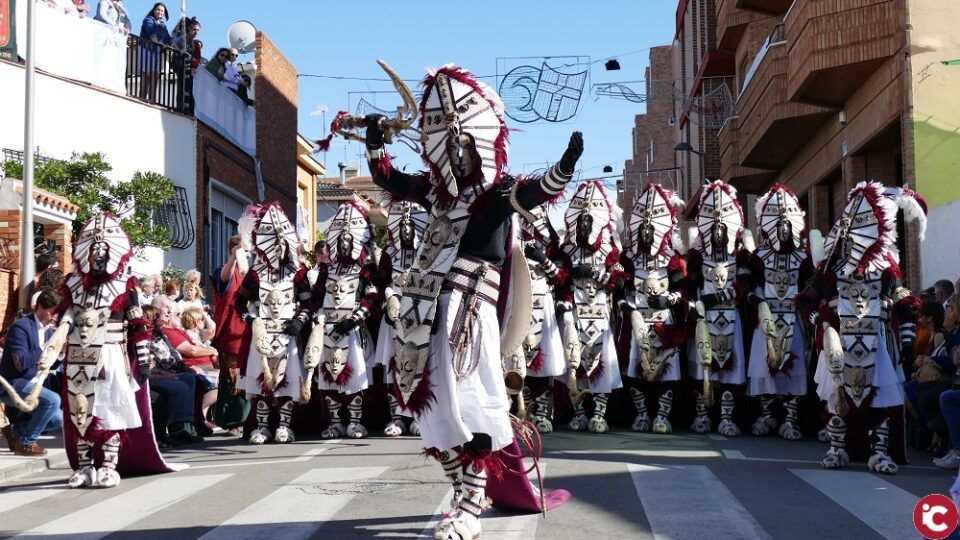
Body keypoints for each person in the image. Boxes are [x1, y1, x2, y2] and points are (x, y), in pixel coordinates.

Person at [357, 65, 578, 538]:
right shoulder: (435, 194)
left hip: (470, 316)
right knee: (432, 412)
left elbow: (537, 193)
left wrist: (565, 166)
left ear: (479, 145)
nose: (457, 157)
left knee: (470, 407)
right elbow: (389, 178)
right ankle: (463, 493)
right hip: (424, 313)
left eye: (465, 147)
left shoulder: (498, 193)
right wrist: (374, 142)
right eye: (449, 148)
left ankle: (469, 510)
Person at [800, 181, 927, 474]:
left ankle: (879, 453)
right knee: (836, 397)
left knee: (881, 397)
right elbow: (806, 302)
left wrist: (906, 341)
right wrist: (820, 324)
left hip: (877, 341)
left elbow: (903, 304)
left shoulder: (886, 269)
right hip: (839, 343)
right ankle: (837, 449)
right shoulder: (830, 269)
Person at [53, 213, 176, 488]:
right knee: (80, 412)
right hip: (78, 356)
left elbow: (137, 327)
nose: (98, 257)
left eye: (103, 251)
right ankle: (85, 467)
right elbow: (64, 317)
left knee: (111, 410)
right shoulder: (72, 285)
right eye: (93, 251)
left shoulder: (125, 286)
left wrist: (143, 361)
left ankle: (109, 465)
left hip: (111, 355)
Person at [235, 203, 311, 444]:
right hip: (263, 335)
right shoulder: (255, 273)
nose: (278, 247)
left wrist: (300, 321)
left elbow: (309, 304)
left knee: (288, 380)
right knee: (260, 380)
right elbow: (239, 302)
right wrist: (251, 320)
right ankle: (262, 426)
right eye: (274, 241)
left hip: (288, 335)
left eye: (282, 242)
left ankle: (285, 426)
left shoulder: (298, 273)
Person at [743, 184, 814, 440]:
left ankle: (790, 419)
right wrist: (754, 297)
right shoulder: (758, 256)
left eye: (787, 224)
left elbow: (811, 286)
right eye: (778, 224)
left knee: (794, 372)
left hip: (792, 320)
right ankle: (766, 415)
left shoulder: (804, 257)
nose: (783, 230)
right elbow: (748, 282)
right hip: (766, 321)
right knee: (764, 370)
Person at [617, 183, 688, 435]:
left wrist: (669, 299)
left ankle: (662, 415)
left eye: (652, 227)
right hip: (638, 322)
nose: (647, 231)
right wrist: (627, 307)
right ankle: (642, 414)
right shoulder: (628, 258)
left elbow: (683, 291)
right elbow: (621, 291)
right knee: (635, 370)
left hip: (664, 322)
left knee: (667, 371)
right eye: (643, 226)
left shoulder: (673, 257)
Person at [685, 180, 753, 437]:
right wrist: (694, 306)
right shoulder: (697, 256)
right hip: (705, 321)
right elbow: (691, 288)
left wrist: (718, 297)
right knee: (701, 367)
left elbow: (745, 286)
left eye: (722, 228)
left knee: (730, 371)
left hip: (730, 317)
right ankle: (702, 415)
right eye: (713, 227)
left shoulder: (741, 256)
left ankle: (726, 417)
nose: (717, 232)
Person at [557, 180, 625, 434]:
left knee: (603, 363)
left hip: (600, 312)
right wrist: (564, 305)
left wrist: (597, 275)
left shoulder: (610, 250)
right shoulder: (567, 249)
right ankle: (578, 411)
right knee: (573, 364)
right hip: (575, 313)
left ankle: (599, 412)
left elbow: (619, 279)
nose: (584, 225)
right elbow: (561, 280)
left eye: (589, 221)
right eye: (581, 221)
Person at [311, 202, 379, 439]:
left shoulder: (365, 269)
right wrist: (316, 319)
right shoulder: (325, 270)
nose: (343, 244)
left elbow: (371, 297)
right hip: (328, 329)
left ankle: (356, 421)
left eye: (348, 240)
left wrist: (355, 319)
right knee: (327, 377)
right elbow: (316, 299)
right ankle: (336, 422)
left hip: (353, 331)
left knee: (356, 377)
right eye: (340, 239)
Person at [512, 202, 566, 434]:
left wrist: (543, 259)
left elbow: (561, 277)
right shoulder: (509, 241)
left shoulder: (552, 244)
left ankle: (543, 412)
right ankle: (520, 410)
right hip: (517, 302)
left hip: (543, 305)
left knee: (544, 363)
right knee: (516, 360)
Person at [374, 201, 426, 437]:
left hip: (419, 312)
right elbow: (381, 280)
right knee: (394, 366)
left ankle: (416, 414)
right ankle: (396, 417)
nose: (406, 229)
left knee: (418, 363)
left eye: (411, 225)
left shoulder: (427, 251)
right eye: (402, 225)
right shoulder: (389, 253)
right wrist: (389, 298)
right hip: (394, 315)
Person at [0, 290, 63, 456]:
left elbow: (49, 365)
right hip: (13, 383)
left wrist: (59, 353)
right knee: (53, 400)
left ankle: (14, 431)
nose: (54, 317)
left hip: (34, 383)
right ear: (40, 308)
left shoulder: (49, 331)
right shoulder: (21, 327)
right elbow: (21, 363)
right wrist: (44, 348)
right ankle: (26, 442)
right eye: (52, 312)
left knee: (58, 420)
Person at [141, 304, 203, 446]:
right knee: (179, 387)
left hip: (163, 371)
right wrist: (162, 375)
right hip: (148, 378)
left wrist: (183, 368)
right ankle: (162, 431)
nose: (167, 313)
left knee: (189, 378)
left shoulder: (159, 333)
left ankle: (179, 429)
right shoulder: (142, 338)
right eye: (154, 317)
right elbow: (143, 368)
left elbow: (171, 354)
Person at [211, 235, 251, 435]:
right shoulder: (224, 271)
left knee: (250, 377)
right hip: (231, 334)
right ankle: (232, 422)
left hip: (249, 333)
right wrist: (234, 258)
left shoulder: (248, 274)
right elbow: (224, 278)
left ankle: (250, 419)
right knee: (232, 380)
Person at [138, 3, 172, 102]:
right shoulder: (148, 20)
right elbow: (152, 35)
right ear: (154, 10)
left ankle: (152, 100)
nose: (160, 12)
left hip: (156, 52)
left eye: (162, 11)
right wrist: (161, 44)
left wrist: (175, 45)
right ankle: (142, 99)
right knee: (146, 75)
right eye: (158, 10)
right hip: (146, 50)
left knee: (154, 75)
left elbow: (168, 38)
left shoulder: (162, 25)